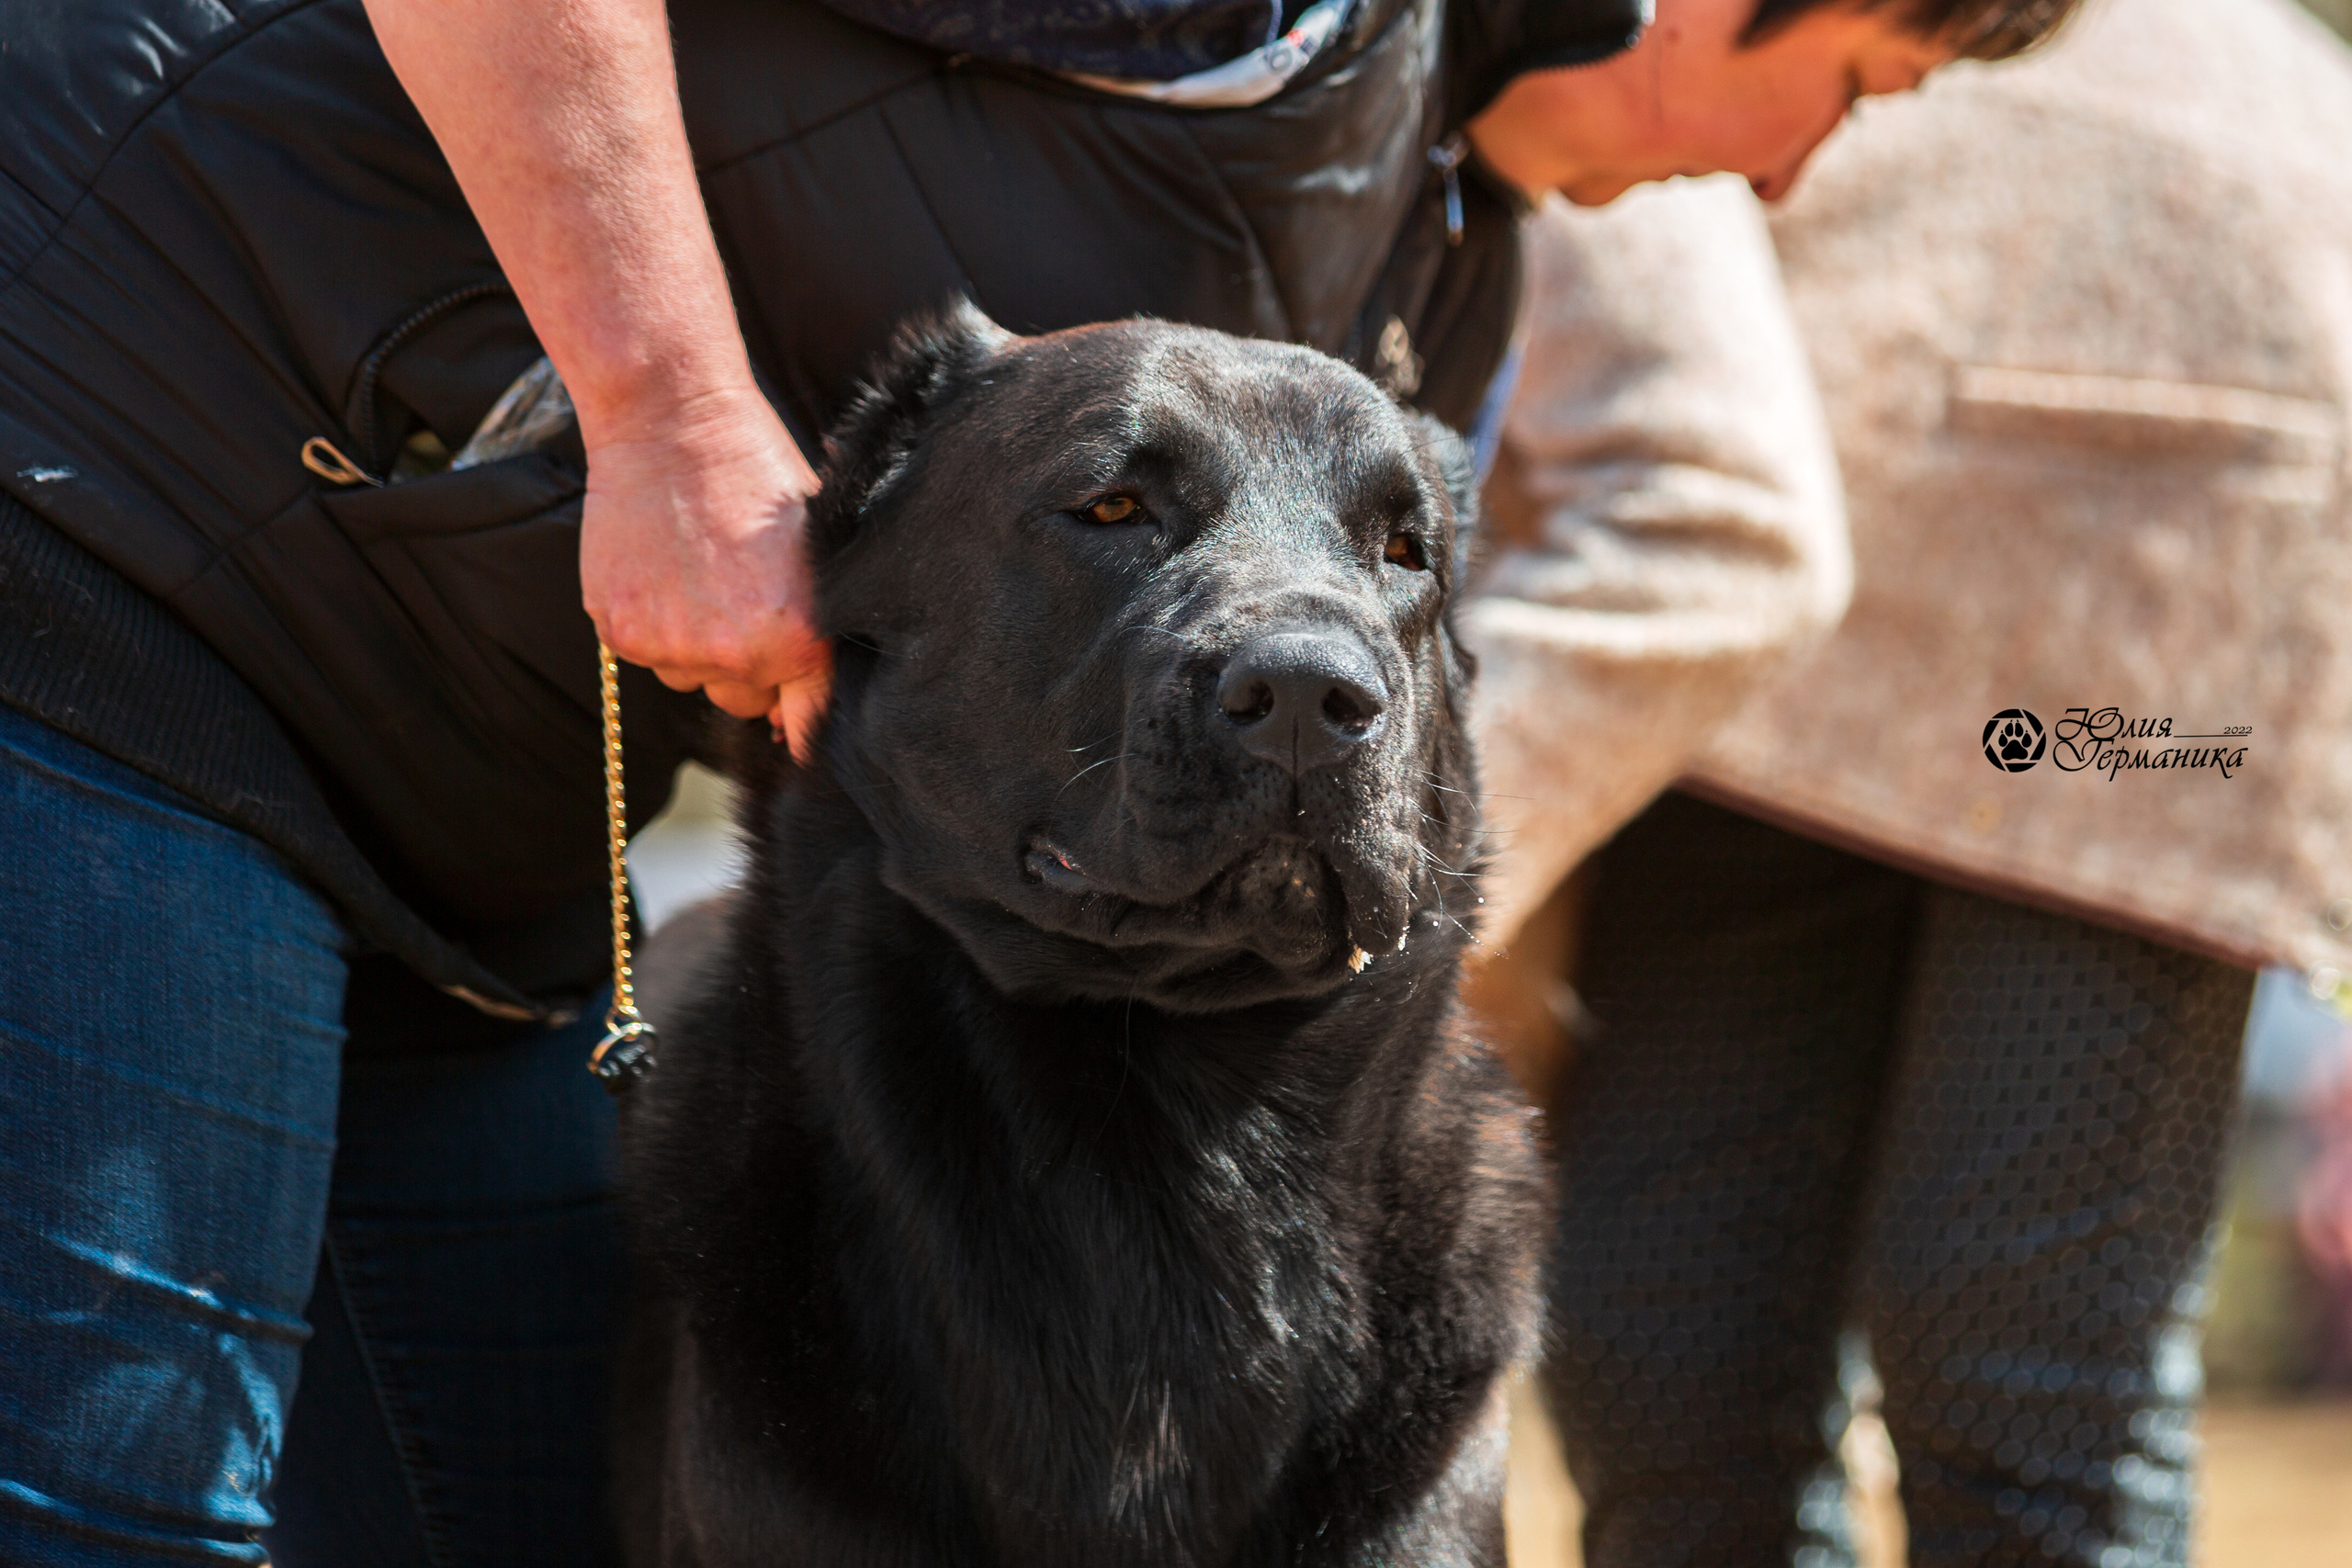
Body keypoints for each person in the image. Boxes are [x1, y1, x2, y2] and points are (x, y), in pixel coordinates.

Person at [0, 0, 2075, 1562]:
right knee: (127, 1509)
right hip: (122, 513)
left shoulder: (1436, 236)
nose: (1798, 178)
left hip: (483, 812)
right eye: (1861, 83)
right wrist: (663, 408)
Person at [1467, 0, 2352, 1562]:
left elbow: (1706, 520)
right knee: (1666, 1344)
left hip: (2162, 668)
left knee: (2015, 1356)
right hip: (1761, 681)